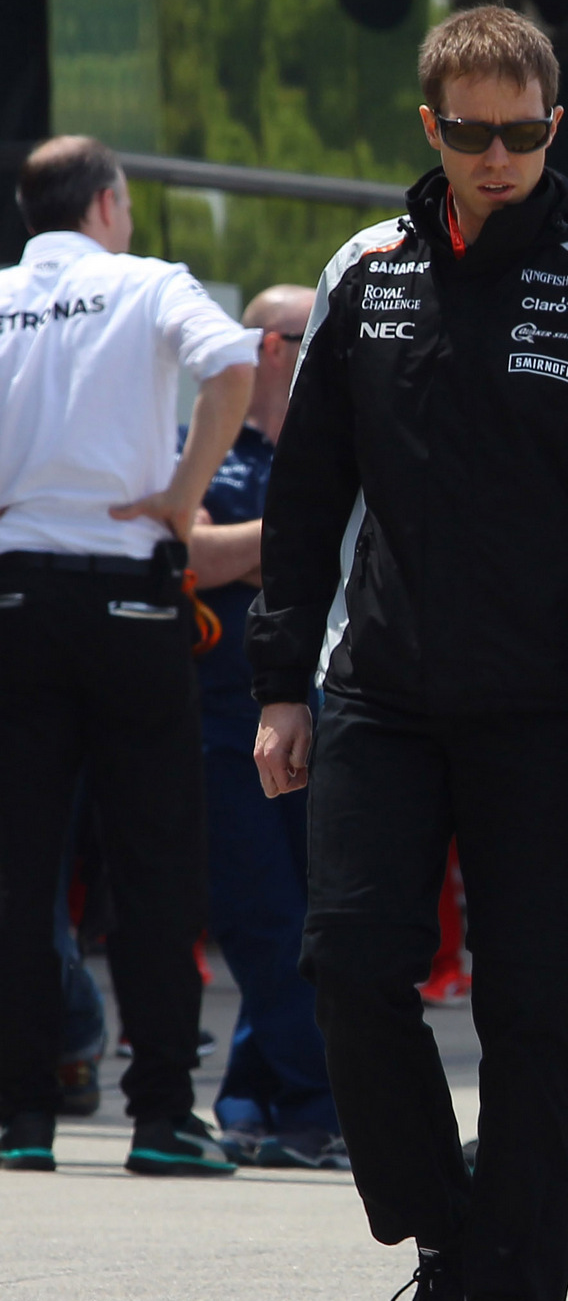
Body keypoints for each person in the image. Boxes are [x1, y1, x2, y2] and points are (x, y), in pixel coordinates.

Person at [246, 6, 568, 1301]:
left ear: (553, 129)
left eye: (524, 133)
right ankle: (443, 1231)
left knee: (530, 1017)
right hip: (378, 691)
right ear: (430, 128)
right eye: (472, 133)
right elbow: (308, 493)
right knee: (345, 964)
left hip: (544, 710)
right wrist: (280, 680)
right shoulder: (367, 271)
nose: (499, 156)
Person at [0, 136, 257, 1174]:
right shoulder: (148, 283)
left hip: (14, 598)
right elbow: (235, 363)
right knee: (156, 869)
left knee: (18, 875)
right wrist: (186, 495)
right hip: (132, 603)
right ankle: (160, 1117)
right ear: (109, 202)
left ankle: (20, 1119)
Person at [185, 283, 349, 1171]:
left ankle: (252, 1100)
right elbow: (192, 554)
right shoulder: (206, 447)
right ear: (274, 347)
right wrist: (296, 537)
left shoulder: (338, 450)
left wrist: (256, 556)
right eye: (308, 331)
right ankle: (329, 1102)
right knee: (265, 919)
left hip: (325, 715)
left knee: (314, 916)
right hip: (221, 717)